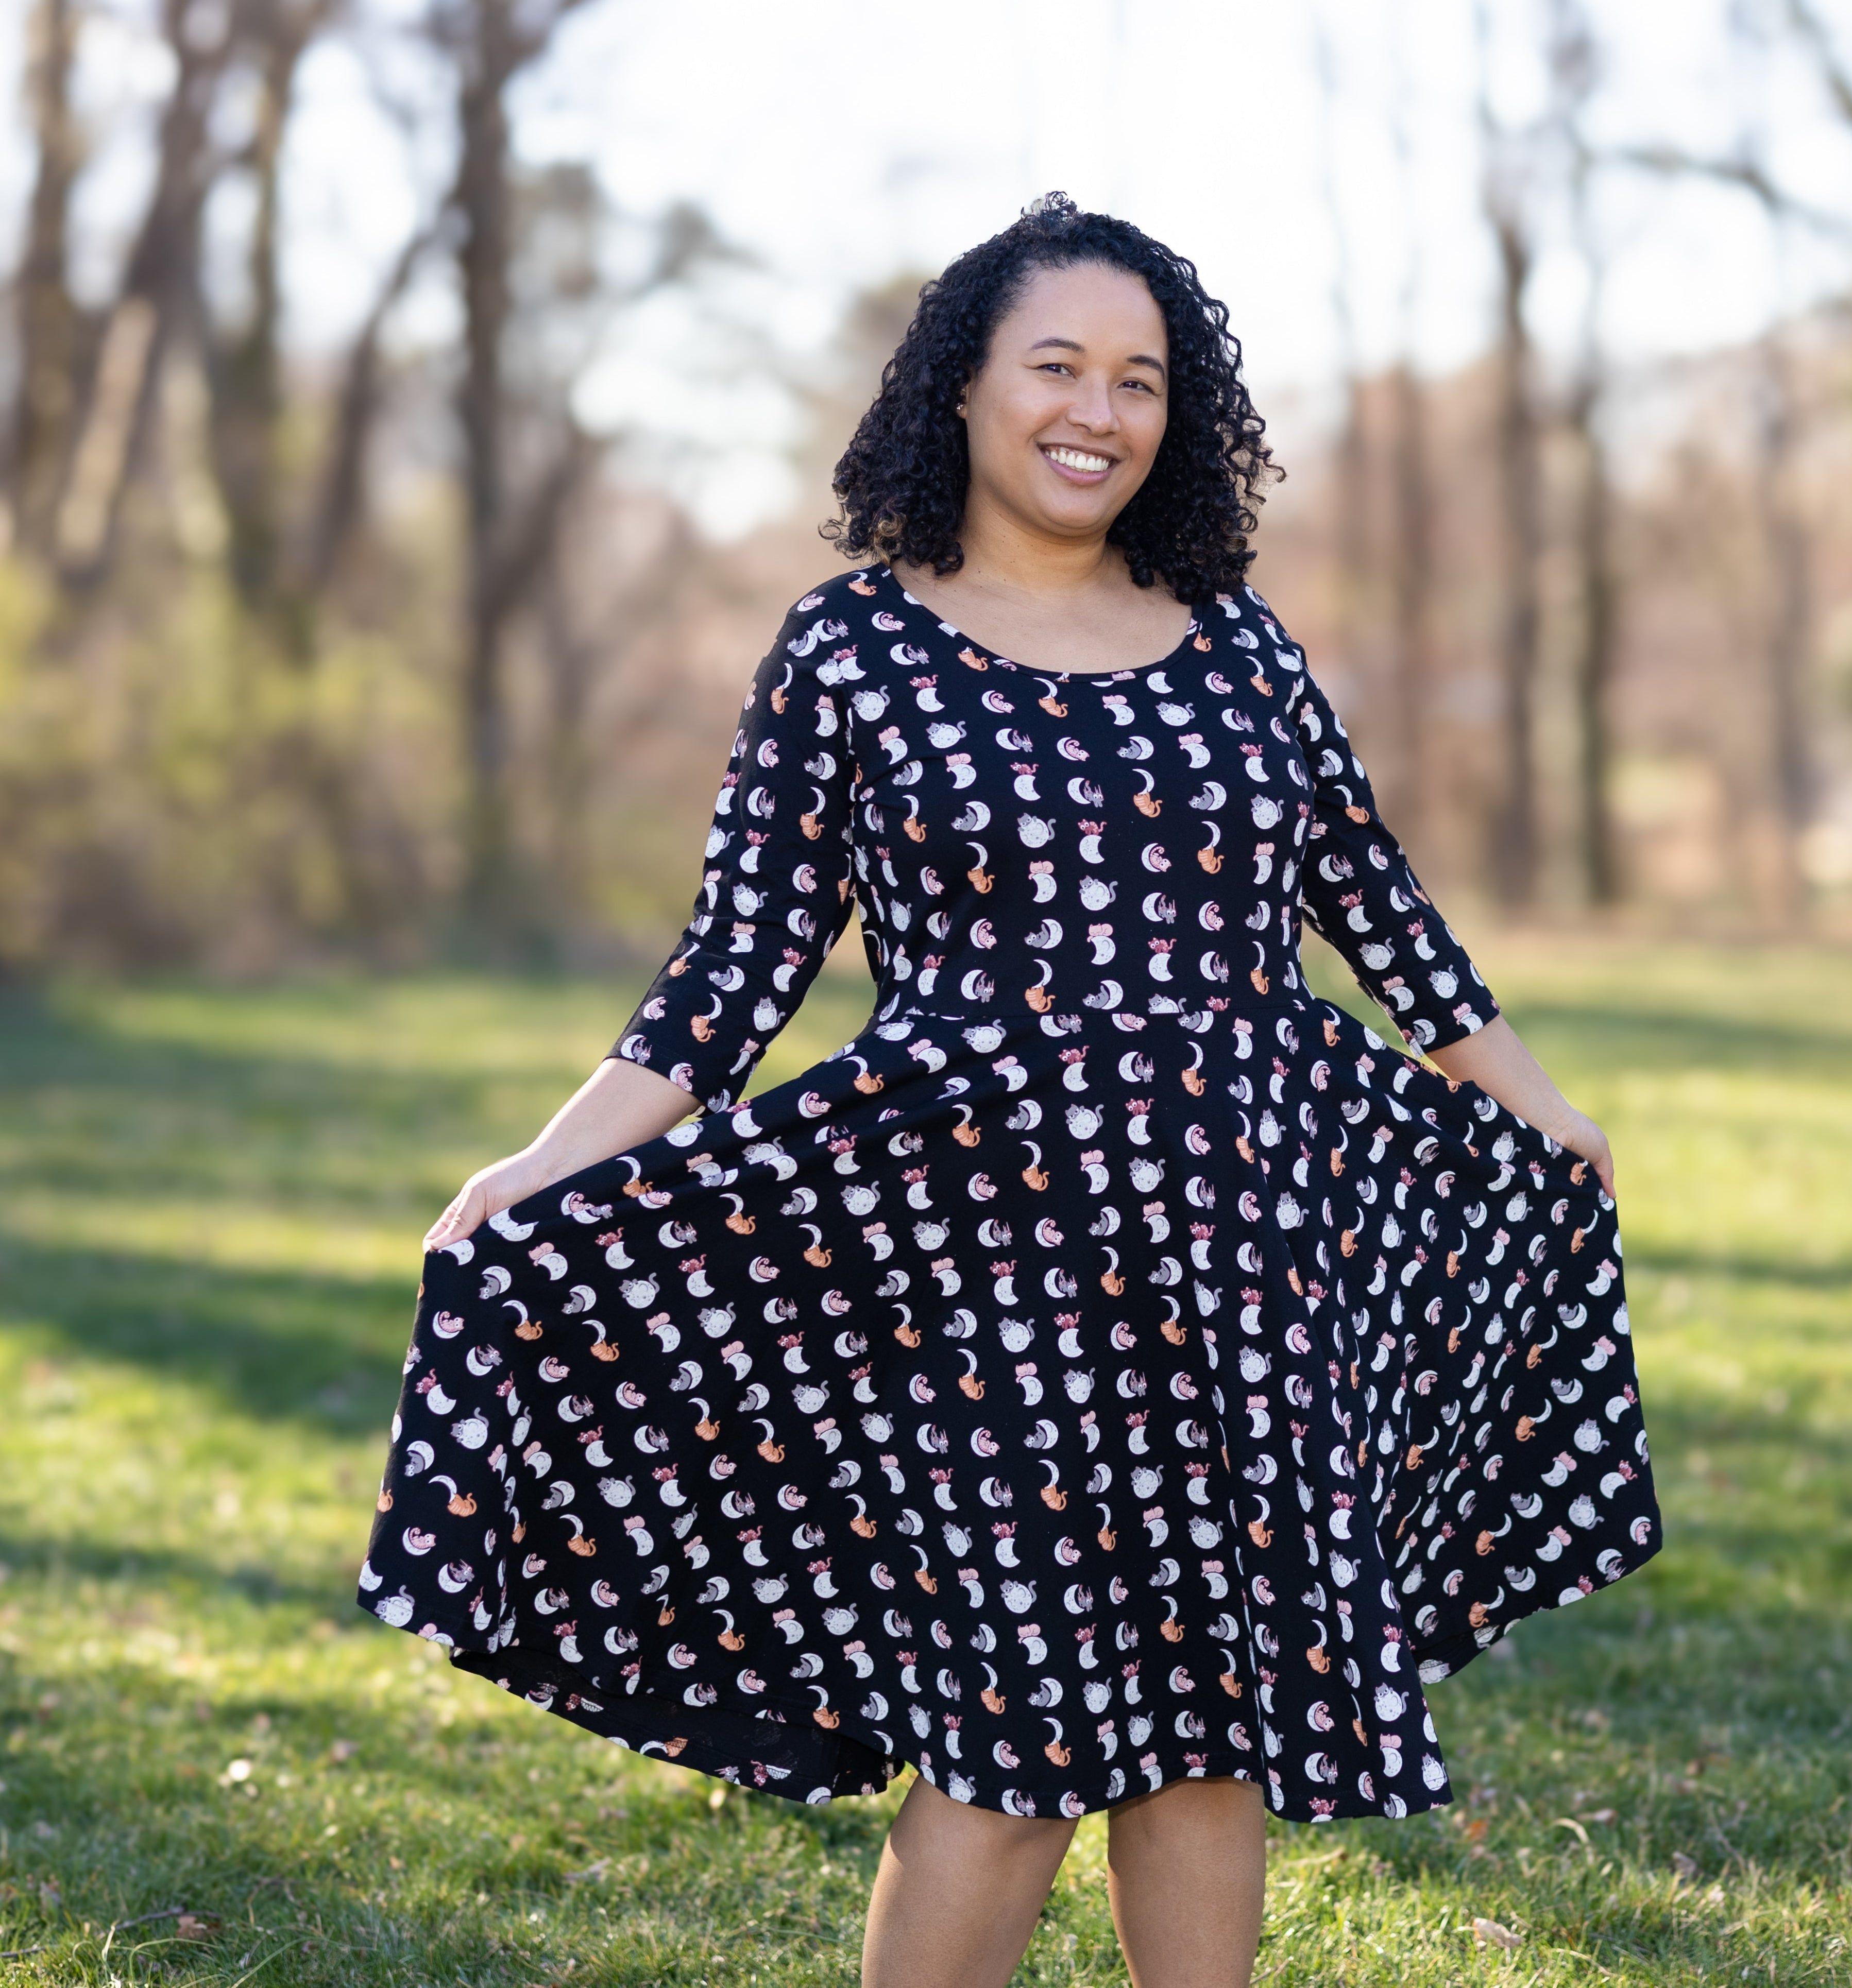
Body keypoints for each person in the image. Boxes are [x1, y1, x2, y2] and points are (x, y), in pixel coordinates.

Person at [362, 194, 1661, 1988]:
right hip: (988, 1264)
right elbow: (732, 970)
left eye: (1140, 379)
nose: (1096, 411)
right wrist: (549, 1160)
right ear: (961, 388)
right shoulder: (852, 650)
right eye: (1057, 366)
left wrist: (1524, 1096)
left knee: (1210, 1726)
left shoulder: (1237, 643)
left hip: (1240, 1248)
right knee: (1010, 1737)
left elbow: (1372, 902)